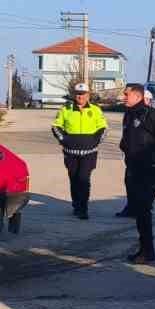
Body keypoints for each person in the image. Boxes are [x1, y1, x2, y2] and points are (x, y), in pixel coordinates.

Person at [119, 82, 155, 264]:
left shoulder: (153, 116)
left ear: (138, 96)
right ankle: (145, 248)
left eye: (127, 94)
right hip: (133, 168)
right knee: (138, 210)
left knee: (144, 210)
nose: (123, 97)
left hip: (150, 170)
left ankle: (147, 251)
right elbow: (127, 139)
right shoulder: (128, 115)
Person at [52, 83, 108, 219]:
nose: (80, 96)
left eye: (83, 94)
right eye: (78, 94)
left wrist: (94, 142)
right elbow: (56, 127)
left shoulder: (95, 110)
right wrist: (64, 140)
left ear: (88, 95)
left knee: (84, 178)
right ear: (74, 95)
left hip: (89, 153)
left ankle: (83, 208)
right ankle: (76, 205)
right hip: (70, 153)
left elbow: (103, 129)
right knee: (74, 179)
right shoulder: (66, 109)